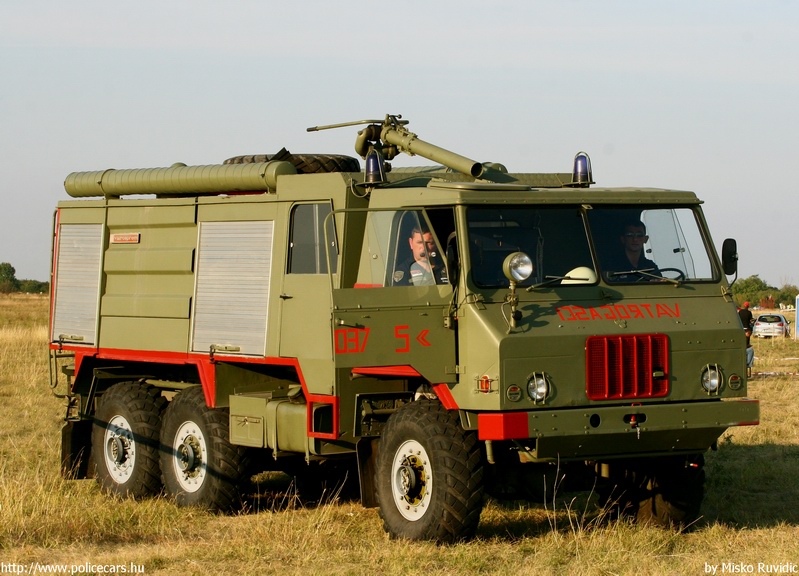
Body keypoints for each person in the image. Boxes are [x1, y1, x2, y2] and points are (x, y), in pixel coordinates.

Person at [739, 302, 754, 377]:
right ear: (748, 306)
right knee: (747, 343)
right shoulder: (749, 312)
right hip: (747, 328)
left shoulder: (740, 312)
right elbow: (751, 321)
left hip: (741, 329)